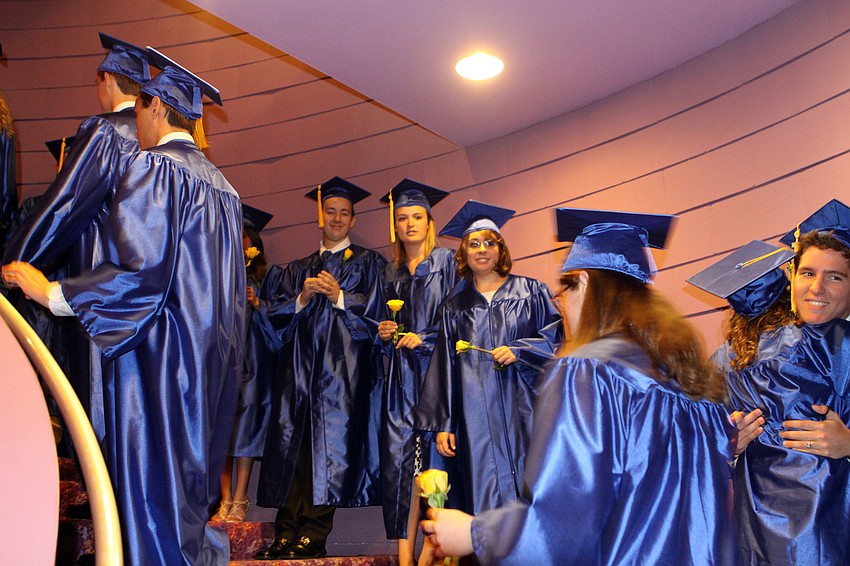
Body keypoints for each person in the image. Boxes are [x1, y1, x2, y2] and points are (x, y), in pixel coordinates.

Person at [3, 48, 245, 565]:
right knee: (186, 500)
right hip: (207, 370)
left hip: (158, 362)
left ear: (158, 108)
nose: (134, 120)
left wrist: (50, 293)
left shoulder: (156, 169)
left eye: (140, 110)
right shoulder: (224, 189)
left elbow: (138, 275)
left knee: (149, 495)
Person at [421, 208, 739, 565]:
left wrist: (474, 533)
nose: (561, 307)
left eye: (563, 291)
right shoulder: (690, 384)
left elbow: (564, 524)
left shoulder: (588, 372)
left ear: (584, 283)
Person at [3, 33, 149, 421]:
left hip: (96, 287)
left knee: (96, 411)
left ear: (106, 80)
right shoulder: (154, 139)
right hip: (138, 297)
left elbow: (64, 206)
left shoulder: (106, 132)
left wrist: (13, 262)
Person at [693, 223, 850, 561]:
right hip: (756, 525)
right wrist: (728, 442)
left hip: (833, 523)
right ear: (791, 278)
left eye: (835, 277)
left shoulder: (843, 347)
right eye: (807, 273)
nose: (817, 287)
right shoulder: (737, 357)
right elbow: (697, 441)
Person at [253, 177, 387, 560]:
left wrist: (340, 296)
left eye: (344, 213)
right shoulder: (298, 269)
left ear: (353, 220)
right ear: (320, 217)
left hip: (340, 378)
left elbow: (377, 314)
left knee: (326, 456)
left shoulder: (368, 264)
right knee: (292, 452)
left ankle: (313, 532)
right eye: (331, 211)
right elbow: (270, 319)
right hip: (297, 375)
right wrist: (302, 297)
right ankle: (285, 532)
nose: (337, 218)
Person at [415, 200, 562, 518]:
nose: (482, 250)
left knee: (533, 482)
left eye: (489, 243)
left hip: (523, 407)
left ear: (501, 250)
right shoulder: (454, 308)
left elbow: (555, 337)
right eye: (474, 244)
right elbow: (444, 368)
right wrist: (444, 423)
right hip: (475, 415)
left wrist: (520, 350)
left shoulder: (531, 291)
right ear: (464, 253)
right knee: (482, 489)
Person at [374, 179, 456, 566]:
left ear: (428, 222)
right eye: (402, 218)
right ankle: (404, 556)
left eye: (416, 217)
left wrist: (422, 338)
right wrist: (384, 331)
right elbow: (372, 324)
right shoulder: (389, 271)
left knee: (435, 470)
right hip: (398, 380)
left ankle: (429, 556)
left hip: (434, 376)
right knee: (401, 470)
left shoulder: (447, 263)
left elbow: (458, 324)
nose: (409, 224)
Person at [212, 205, 283, 523]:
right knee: (220, 430)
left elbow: (280, 321)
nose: (240, 242)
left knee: (245, 431)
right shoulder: (215, 274)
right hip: (223, 365)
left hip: (254, 366)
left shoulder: (267, 277)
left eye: (244, 235)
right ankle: (224, 498)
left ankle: (241, 497)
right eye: (234, 235)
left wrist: (259, 304)